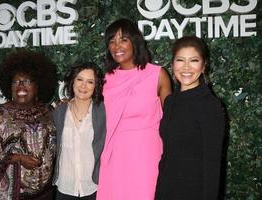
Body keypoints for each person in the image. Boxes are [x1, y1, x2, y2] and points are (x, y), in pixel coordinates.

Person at [96, 18, 172, 200]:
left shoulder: (158, 75)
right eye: (112, 41)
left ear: (135, 42)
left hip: (147, 154)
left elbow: (172, 119)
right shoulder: (105, 79)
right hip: (114, 155)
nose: (116, 46)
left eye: (123, 39)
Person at [0, 50, 57, 200]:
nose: (20, 86)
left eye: (27, 81)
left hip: (47, 193)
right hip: (14, 195)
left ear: (38, 85)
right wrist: (17, 158)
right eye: (15, 81)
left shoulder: (48, 111)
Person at [155, 36, 225, 200]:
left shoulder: (210, 105)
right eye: (180, 60)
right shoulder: (171, 101)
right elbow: (168, 154)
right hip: (167, 189)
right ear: (172, 65)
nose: (186, 67)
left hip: (195, 191)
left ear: (203, 65)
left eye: (194, 60)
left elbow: (212, 163)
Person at [52, 62, 106, 200]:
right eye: (79, 79)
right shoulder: (59, 111)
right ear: (72, 82)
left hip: (94, 187)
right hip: (65, 187)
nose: (83, 86)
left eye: (90, 82)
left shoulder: (103, 112)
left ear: (96, 86)